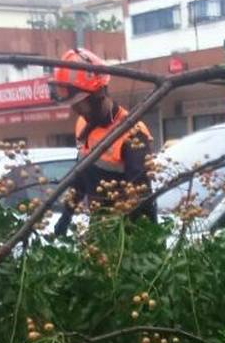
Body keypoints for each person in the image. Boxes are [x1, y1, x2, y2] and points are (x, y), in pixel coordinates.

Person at [49, 47, 154, 235]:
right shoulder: (83, 125)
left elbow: (139, 195)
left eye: (79, 104)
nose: (77, 111)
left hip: (131, 231)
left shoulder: (133, 134)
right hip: (99, 227)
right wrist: (66, 216)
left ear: (98, 95)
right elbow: (81, 177)